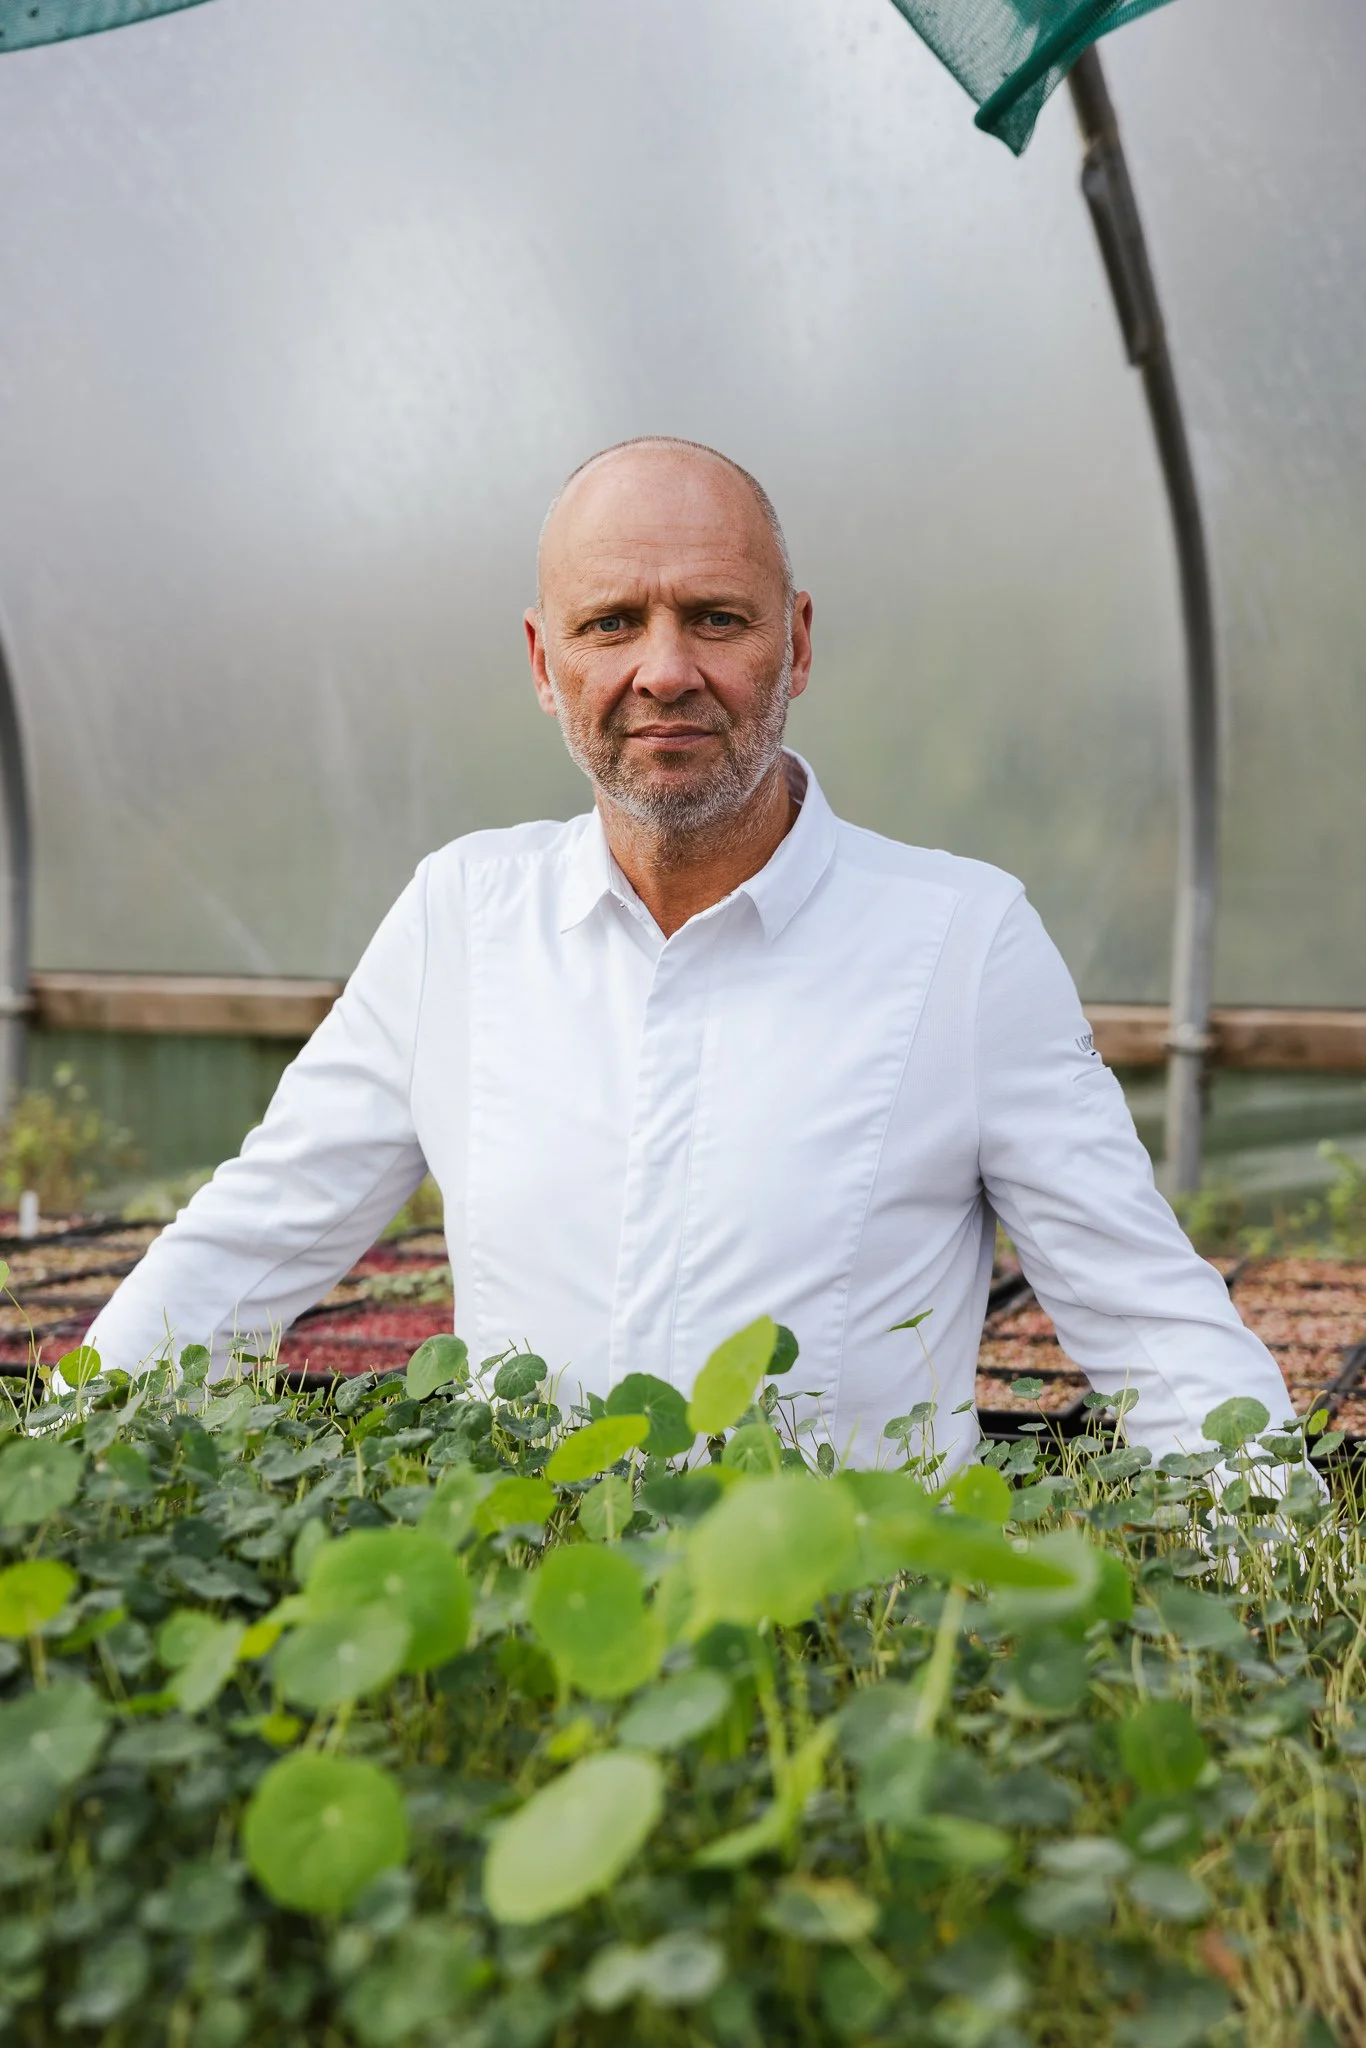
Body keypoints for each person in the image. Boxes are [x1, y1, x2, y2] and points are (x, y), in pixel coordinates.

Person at [87, 437, 1287, 1467]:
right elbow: (243, 1247)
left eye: (716, 617)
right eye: (611, 623)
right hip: (530, 1636)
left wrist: (1295, 1618)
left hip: (851, 1650)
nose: (664, 669)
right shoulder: (460, 920)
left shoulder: (959, 945)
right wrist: (66, 1466)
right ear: (542, 665)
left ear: (797, 644)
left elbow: (1149, 1322)